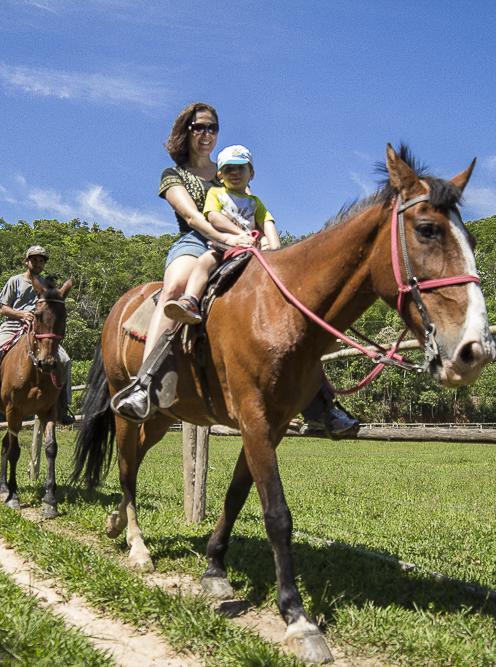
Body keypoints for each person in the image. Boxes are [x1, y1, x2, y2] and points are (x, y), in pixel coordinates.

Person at [113, 102, 358, 437]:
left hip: (242, 245)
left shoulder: (227, 167)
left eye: (212, 127)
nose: (206, 134)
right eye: (198, 127)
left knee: (283, 305)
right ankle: (145, 381)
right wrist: (229, 237)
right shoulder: (174, 175)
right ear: (186, 131)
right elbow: (194, 218)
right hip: (196, 243)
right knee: (176, 285)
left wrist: (266, 241)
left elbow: (254, 210)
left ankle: (322, 401)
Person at [164, 144, 279, 324]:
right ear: (220, 175)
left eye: (241, 168)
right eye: (228, 169)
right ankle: (190, 300)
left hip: (250, 250)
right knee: (205, 261)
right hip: (224, 246)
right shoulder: (216, 193)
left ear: (252, 173)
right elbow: (214, 217)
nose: (235, 172)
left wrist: (274, 249)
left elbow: (267, 222)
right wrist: (239, 234)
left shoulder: (255, 202)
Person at [0, 245, 73, 425]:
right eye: (34, 259)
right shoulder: (15, 281)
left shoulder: (46, 286)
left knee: (65, 360)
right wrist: (22, 314)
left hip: (38, 330)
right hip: (12, 326)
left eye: (41, 260)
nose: (37, 263)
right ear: (26, 262)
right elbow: (3, 309)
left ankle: (63, 405)